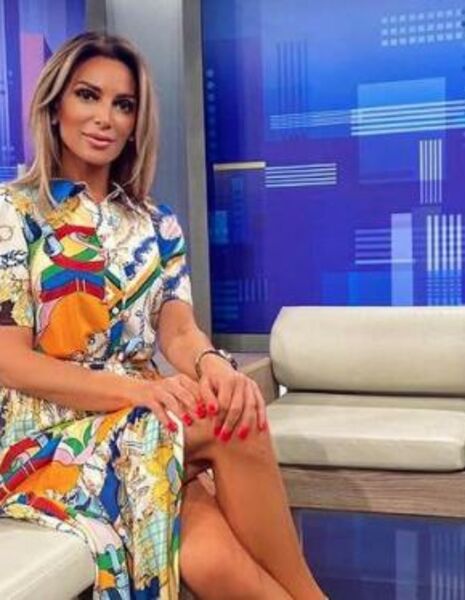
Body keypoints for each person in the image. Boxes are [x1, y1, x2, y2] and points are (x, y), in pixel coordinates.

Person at [0, 32, 324, 600]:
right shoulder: (14, 211)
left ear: (136, 122)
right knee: (231, 423)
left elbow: (177, 327)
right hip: (45, 437)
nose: (105, 118)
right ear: (54, 107)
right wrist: (141, 393)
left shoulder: (156, 221)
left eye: (123, 104)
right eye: (87, 96)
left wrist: (212, 364)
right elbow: (10, 363)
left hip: (140, 423)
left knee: (211, 562)